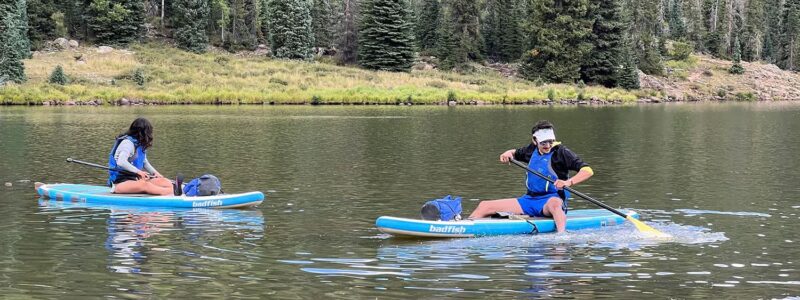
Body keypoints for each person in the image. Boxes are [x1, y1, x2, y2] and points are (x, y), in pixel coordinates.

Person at [468, 120, 593, 233]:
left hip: (551, 201)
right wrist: (507, 153)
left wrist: (568, 182)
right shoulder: (530, 150)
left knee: (555, 204)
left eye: (551, 141)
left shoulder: (562, 152)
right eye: (544, 143)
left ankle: (561, 237)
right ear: (535, 140)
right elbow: (514, 153)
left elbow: (587, 170)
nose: (548, 146)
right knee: (485, 205)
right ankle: (464, 228)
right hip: (528, 200)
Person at [108, 117, 181, 196]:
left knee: (163, 181)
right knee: (146, 185)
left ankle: (176, 189)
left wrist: (156, 173)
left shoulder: (139, 144)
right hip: (119, 183)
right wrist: (139, 172)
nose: (150, 134)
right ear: (142, 132)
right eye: (149, 132)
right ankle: (174, 192)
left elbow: (144, 162)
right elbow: (121, 162)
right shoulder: (127, 143)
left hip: (135, 178)